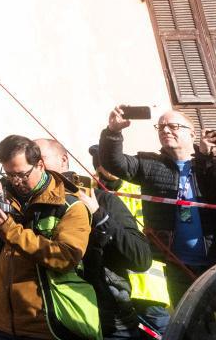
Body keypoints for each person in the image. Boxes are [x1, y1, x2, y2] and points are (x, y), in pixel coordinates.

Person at [0, 135, 98, 340]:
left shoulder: (70, 206)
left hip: (48, 324)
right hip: (2, 324)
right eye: (8, 174)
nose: (15, 181)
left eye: (21, 174)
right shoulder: (3, 196)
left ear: (40, 165)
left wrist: (8, 229)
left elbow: (65, 257)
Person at [98, 106, 216, 305]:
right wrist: (113, 132)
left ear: (192, 133)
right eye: (160, 127)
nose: (165, 131)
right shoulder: (149, 164)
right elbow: (113, 163)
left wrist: (205, 160)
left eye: (173, 126)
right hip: (178, 265)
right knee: (190, 326)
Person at [35, 138, 153, 339]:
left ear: (63, 160)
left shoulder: (101, 199)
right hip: (52, 321)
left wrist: (99, 216)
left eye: (40, 158)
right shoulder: (29, 206)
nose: (34, 164)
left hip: (107, 319)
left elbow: (141, 258)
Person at [85, 144, 172, 335]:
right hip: (112, 284)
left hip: (146, 283)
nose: (110, 169)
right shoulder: (89, 193)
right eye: (104, 165)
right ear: (98, 168)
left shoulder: (139, 190)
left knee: (164, 330)